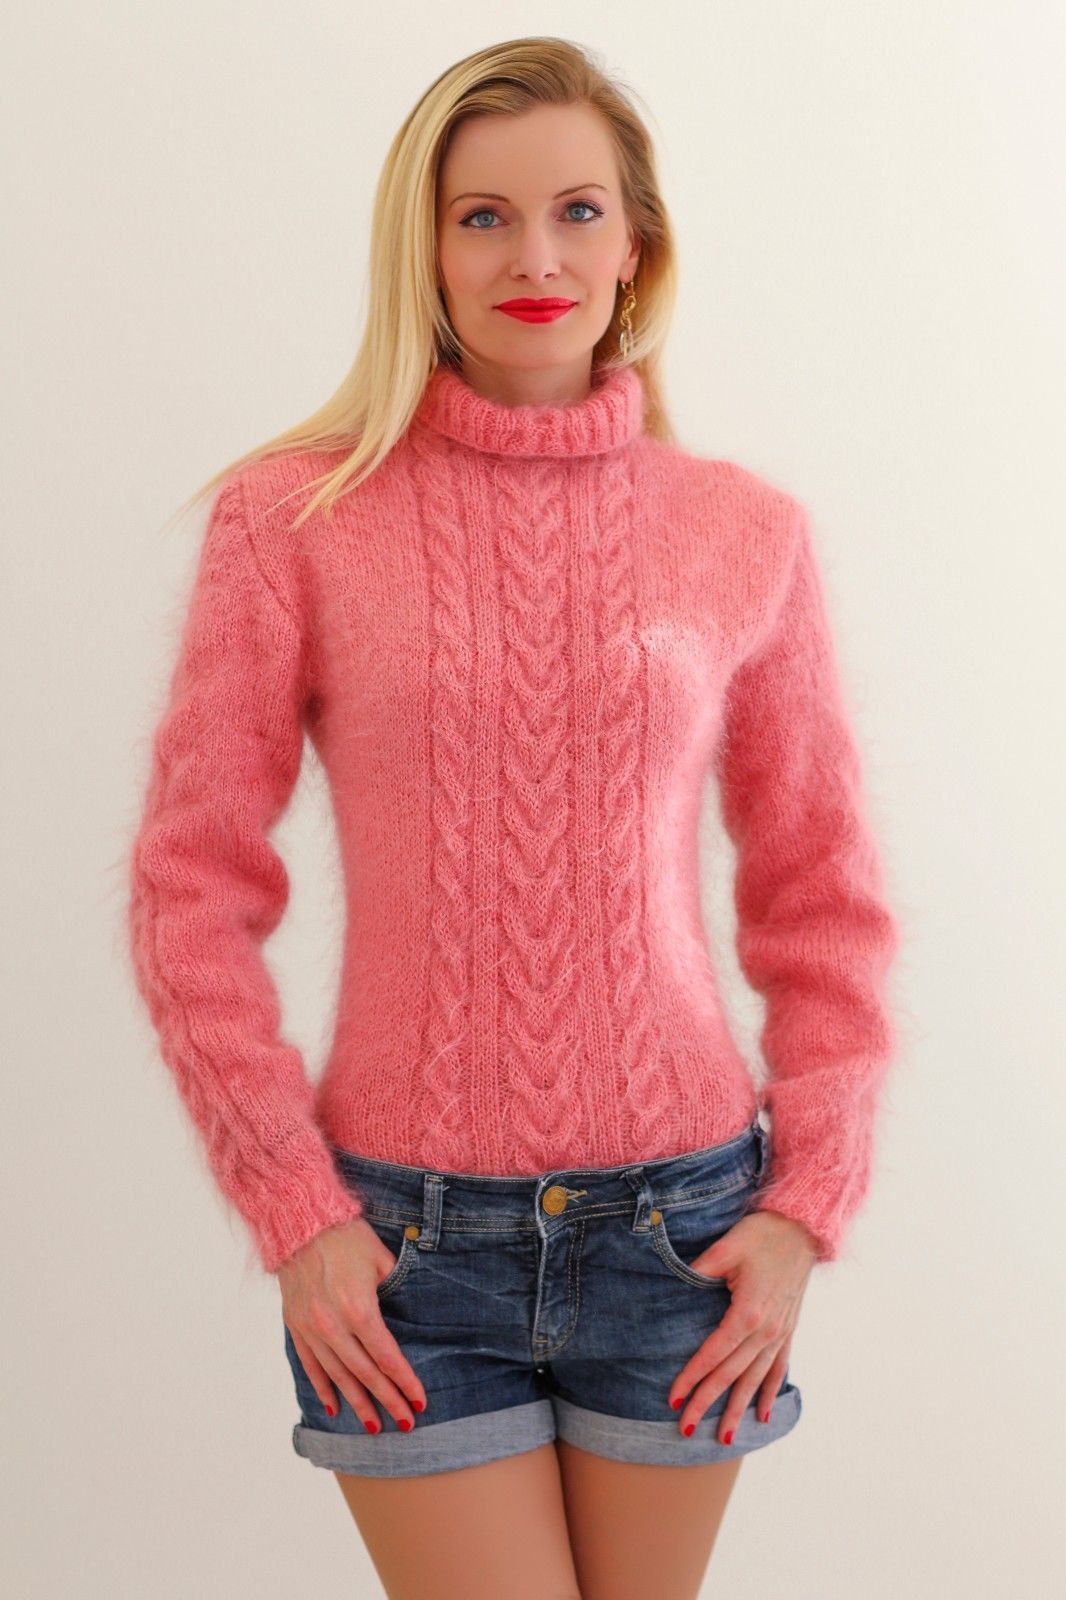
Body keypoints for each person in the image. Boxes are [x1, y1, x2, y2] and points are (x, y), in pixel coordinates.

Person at [126, 35, 901, 1600]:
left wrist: (804, 1204)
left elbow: (817, 891)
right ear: (420, 249)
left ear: (635, 248)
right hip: (403, 1251)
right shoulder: (295, 519)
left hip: (682, 1229)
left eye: (574, 212)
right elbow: (189, 887)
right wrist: (293, 1209)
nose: (533, 258)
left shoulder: (741, 532)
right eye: (480, 216)